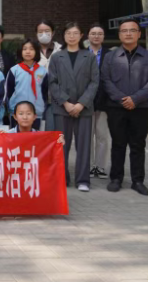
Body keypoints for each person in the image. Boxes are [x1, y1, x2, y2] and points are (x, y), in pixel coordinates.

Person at [102, 19, 148, 196]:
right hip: (116, 107)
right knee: (118, 143)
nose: (128, 34)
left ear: (139, 34)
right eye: (124, 31)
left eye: (132, 30)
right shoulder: (110, 57)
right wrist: (122, 99)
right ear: (119, 34)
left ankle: (138, 181)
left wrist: (135, 99)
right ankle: (116, 179)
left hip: (141, 108)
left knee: (138, 144)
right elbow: (106, 80)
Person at [48, 22, 99, 192]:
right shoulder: (57, 57)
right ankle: (62, 178)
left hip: (84, 108)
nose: (72, 36)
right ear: (64, 36)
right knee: (62, 144)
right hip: (62, 108)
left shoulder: (89, 56)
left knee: (83, 145)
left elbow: (94, 82)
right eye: (68, 33)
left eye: (75, 33)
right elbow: (52, 82)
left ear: (81, 35)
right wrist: (66, 103)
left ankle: (83, 180)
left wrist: (81, 103)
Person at [5, 39, 48, 130]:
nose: (28, 52)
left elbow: (45, 92)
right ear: (20, 52)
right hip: (17, 113)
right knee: (16, 137)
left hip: (36, 112)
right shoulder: (14, 70)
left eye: (31, 49)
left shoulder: (43, 71)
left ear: (36, 52)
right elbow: (9, 92)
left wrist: (43, 107)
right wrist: (11, 108)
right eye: (24, 49)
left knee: (34, 137)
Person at [88, 24, 111, 179]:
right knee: (87, 136)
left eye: (99, 33)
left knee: (102, 135)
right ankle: (89, 166)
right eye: (93, 33)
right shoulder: (82, 54)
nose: (96, 36)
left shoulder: (110, 55)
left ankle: (100, 166)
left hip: (104, 101)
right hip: (86, 102)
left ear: (103, 36)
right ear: (88, 36)